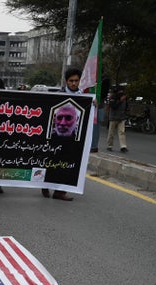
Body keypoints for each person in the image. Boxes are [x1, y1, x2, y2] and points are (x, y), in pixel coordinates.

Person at [43, 67, 86, 201]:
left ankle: (60, 191)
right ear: (66, 81)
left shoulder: (84, 97)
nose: (74, 83)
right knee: (53, 161)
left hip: (73, 138)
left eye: (76, 81)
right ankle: (45, 184)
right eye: (71, 81)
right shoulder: (58, 96)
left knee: (69, 163)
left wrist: (93, 104)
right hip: (56, 138)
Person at [106, 85, 128, 153]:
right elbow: (114, 106)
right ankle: (109, 146)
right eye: (121, 91)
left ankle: (123, 147)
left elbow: (126, 106)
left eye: (123, 91)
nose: (122, 92)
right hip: (113, 117)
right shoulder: (113, 97)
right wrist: (120, 101)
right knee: (111, 133)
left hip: (121, 117)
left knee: (122, 132)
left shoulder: (124, 98)